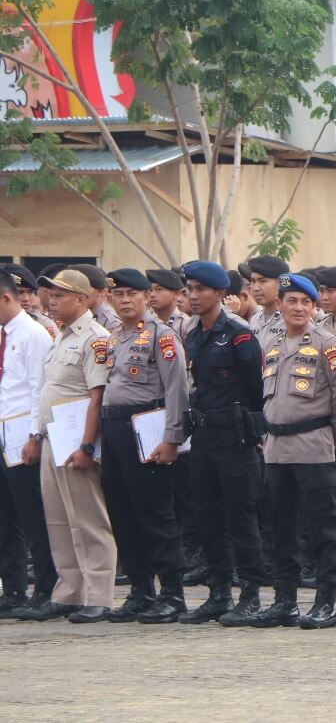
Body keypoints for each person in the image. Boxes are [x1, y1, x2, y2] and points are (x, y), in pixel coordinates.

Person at [247, 274, 336, 629]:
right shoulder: (271, 342)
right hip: (277, 449)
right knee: (282, 528)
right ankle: (285, 600)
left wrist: (328, 436)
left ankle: (325, 603)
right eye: (291, 301)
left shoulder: (326, 344)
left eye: (306, 302)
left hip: (313, 446)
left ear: (313, 307)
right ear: (279, 305)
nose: (298, 308)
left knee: (323, 528)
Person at [20, 269, 116, 623]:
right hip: (52, 436)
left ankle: (98, 594)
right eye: (51, 295)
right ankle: (70, 591)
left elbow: (96, 397)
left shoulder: (96, 338)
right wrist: (36, 435)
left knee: (88, 518)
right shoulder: (60, 335)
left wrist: (87, 445)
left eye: (60, 295)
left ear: (82, 299)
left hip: (76, 438)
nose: (52, 301)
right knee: (59, 520)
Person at [179, 261, 269, 626]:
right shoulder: (193, 332)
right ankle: (219, 593)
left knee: (240, 516)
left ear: (220, 293)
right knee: (207, 516)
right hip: (203, 435)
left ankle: (250, 595)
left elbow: (256, 388)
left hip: (235, 436)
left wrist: (255, 433)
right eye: (189, 289)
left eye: (201, 289)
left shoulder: (238, 334)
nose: (193, 295)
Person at [98, 269, 189, 624]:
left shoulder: (161, 335)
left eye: (131, 294)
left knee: (155, 513)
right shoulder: (115, 336)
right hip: (114, 429)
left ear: (146, 297)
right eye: (117, 294)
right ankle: (140, 590)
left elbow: (177, 389)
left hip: (146, 427)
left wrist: (172, 438)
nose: (124, 300)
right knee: (122, 512)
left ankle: (172, 594)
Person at [0, 271, 57, 618]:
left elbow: (40, 389)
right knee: (5, 520)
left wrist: (36, 436)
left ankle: (47, 588)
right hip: (3, 436)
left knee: (34, 517)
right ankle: (13, 589)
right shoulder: (4, 334)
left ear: (6, 298)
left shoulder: (33, 334)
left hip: (24, 439)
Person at [246, 255, 289, 349]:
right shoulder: (255, 319)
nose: (255, 288)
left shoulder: (291, 318)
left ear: (280, 283)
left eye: (262, 281)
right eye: (253, 281)